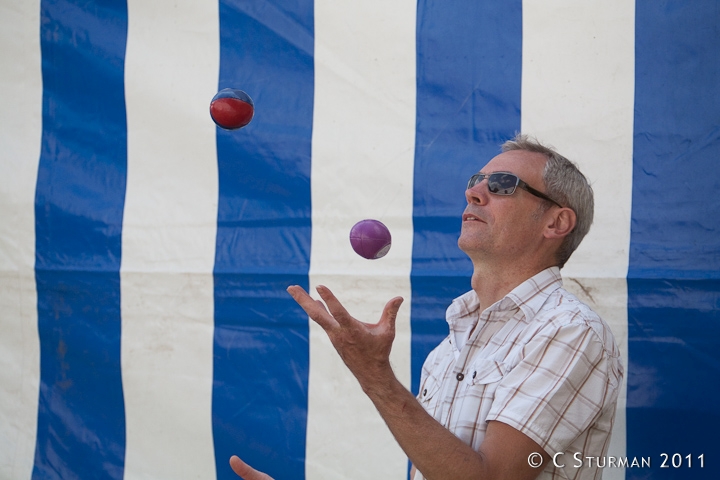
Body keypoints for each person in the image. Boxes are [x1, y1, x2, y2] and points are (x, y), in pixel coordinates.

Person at [230, 134, 623, 480]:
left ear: (556, 223)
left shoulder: (570, 330)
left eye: (503, 185)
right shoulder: (446, 351)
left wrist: (375, 376)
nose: (474, 193)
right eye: (476, 181)